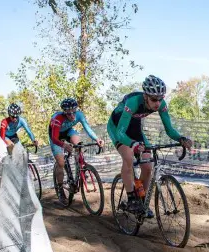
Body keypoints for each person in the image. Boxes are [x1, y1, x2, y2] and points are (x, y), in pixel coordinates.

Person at [107, 75, 193, 217]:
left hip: (135, 128)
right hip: (117, 127)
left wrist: (181, 138)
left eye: (161, 98)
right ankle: (131, 199)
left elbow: (169, 129)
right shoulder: (133, 102)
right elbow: (121, 132)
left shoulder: (161, 104)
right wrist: (132, 144)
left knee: (148, 167)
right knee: (128, 157)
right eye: (154, 99)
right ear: (146, 96)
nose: (157, 103)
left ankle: (141, 201)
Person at [49, 98, 103, 205]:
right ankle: (60, 190)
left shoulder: (79, 114)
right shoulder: (58, 118)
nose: (72, 116)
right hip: (55, 135)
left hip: (68, 131)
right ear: (64, 112)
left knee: (79, 144)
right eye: (69, 114)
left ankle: (80, 167)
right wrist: (64, 145)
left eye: (74, 112)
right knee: (61, 163)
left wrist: (97, 139)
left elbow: (87, 128)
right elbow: (55, 138)